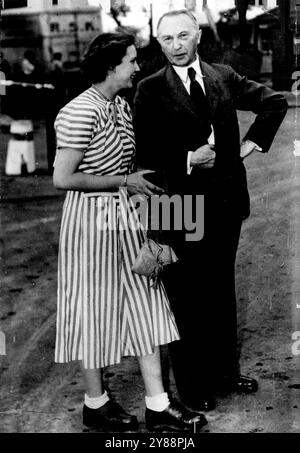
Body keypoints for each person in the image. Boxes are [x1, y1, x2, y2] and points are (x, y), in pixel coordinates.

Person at [133, 10, 288, 412]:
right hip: (174, 204)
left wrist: (251, 145)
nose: (176, 46)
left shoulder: (223, 75)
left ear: (198, 35)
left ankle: (223, 372)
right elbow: (144, 156)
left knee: (219, 289)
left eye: (183, 36)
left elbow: (273, 102)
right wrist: (187, 158)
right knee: (185, 296)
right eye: (166, 39)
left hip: (224, 201)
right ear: (159, 41)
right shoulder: (149, 88)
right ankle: (192, 385)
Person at [53, 31, 207, 432]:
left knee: (148, 302)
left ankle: (158, 404)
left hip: (128, 218)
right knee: (94, 311)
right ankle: (96, 403)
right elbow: (62, 178)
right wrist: (125, 180)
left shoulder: (119, 106)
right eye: (131, 61)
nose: (138, 68)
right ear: (110, 67)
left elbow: (136, 167)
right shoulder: (79, 111)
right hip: (91, 224)